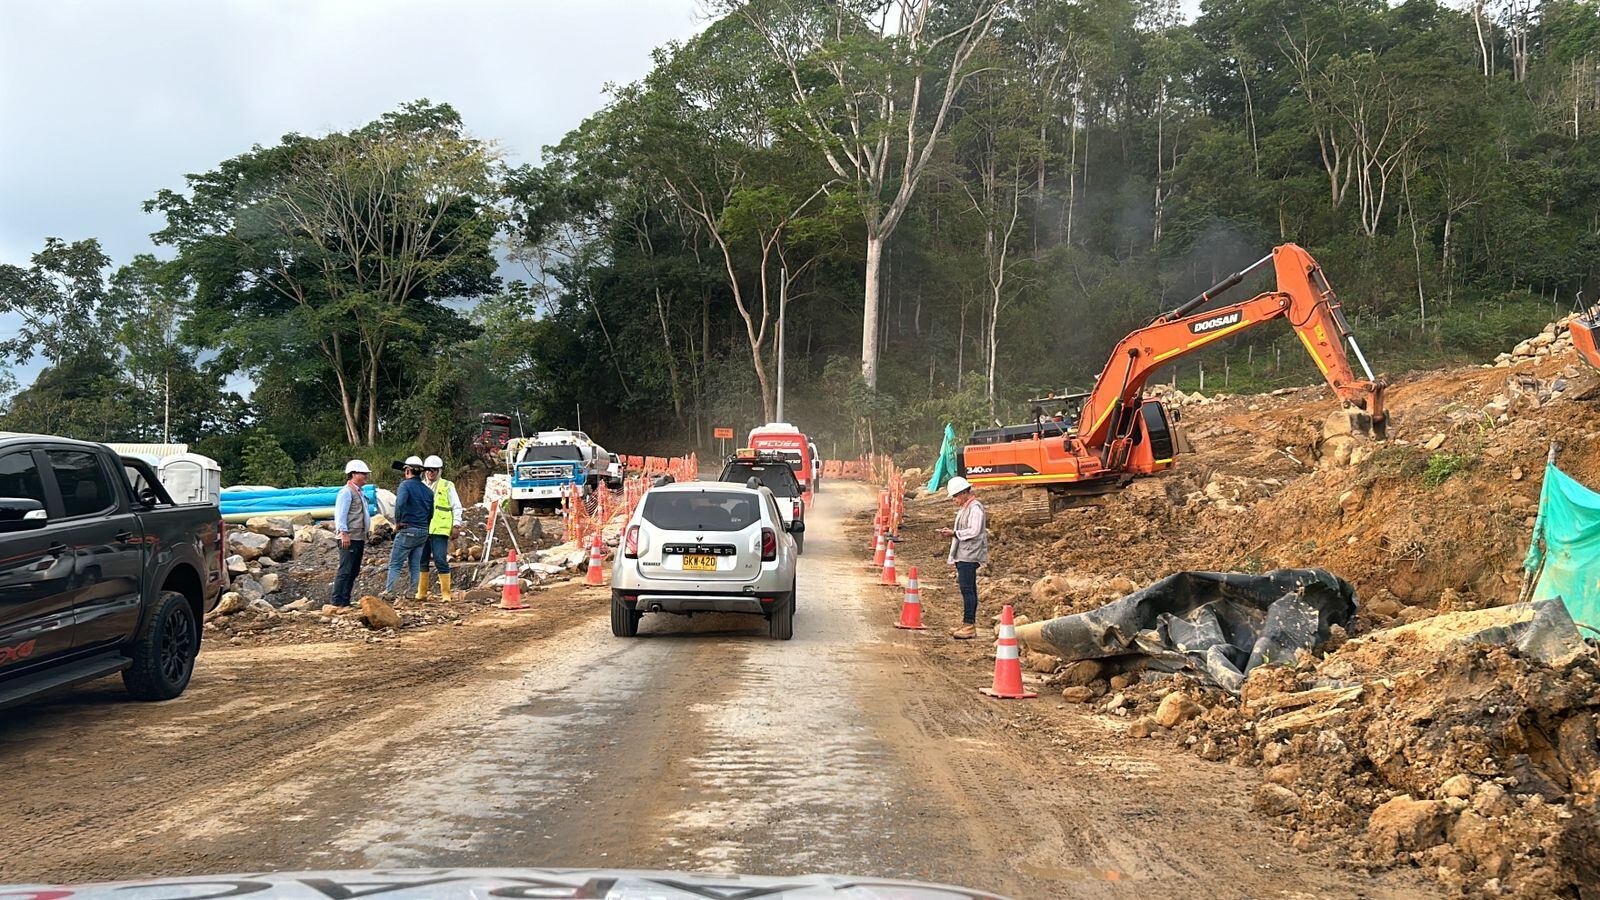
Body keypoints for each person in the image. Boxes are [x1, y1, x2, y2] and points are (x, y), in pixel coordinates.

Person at [937, 475, 988, 640]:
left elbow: (974, 531)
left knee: (968, 590)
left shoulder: (975, 508)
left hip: (970, 555)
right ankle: (967, 623)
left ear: (965, 492)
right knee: (967, 589)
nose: (954, 499)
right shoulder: (966, 508)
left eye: (956, 496)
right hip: (964, 554)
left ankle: (969, 625)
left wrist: (954, 533)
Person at [385, 455, 433, 596]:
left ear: (407, 470)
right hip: (423, 531)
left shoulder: (405, 486)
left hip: (408, 530)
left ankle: (390, 592)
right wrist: (425, 526)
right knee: (415, 565)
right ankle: (412, 592)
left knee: (395, 564)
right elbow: (431, 513)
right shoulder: (428, 491)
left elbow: (399, 504)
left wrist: (398, 523)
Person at [416, 454, 462, 602]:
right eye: (428, 470)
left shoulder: (447, 485)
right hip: (423, 529)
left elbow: (456, 506)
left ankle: (446, 594)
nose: (431, 472)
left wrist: (456, 525)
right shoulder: (421, 486)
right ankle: (421, 593)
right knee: (422, 560)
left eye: (434, 470)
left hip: (440, 530)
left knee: (440, 559)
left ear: (439, 471)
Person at [331, 459, 371, 608]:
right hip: (349, 536)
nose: (366, 476)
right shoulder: (346, 492)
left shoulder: (359, 492)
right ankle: (337, 601)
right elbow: (340, 514)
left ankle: (345, 600)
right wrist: (343, 533)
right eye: (363, 473)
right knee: (345, 569)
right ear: (353, 474)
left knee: (353, 570)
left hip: (358, 536)